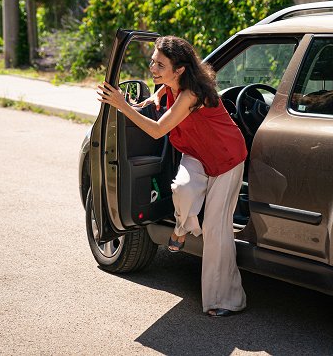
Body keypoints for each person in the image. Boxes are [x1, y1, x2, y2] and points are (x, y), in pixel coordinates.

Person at [97, 35, 247, 317]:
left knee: (217, 231)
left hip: (226, 158)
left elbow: (157, 130)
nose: (153, 68)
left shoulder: (191, 94)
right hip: (196, 153)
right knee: (181, 188)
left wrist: (121, 105)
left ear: (179, 70)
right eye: (153, 62)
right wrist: (136, 104)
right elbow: (152, 102)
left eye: (160, 65)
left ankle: (226, 300)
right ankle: (180, 229)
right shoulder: (168, 87)